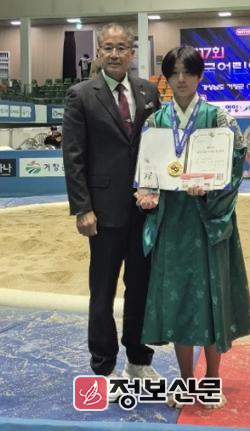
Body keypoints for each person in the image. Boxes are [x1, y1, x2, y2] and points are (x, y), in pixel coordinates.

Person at [135, 46, 250, 409]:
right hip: (171, 223)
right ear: (166, 79)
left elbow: (235, 164)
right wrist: (145, 193)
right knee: (179, 301)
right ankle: (187, 381)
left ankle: (212, 380)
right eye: (174, 73)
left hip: (207, 222)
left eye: (188, 72)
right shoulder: (155, 123)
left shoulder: (219, 119)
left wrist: (213, 188)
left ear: (200, 75)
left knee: (211, 299)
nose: (181, 79)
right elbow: (147, 171)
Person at [62, 22, 161, 401]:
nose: (115, 54)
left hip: (145, 209)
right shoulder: (80, 95)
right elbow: (73, 156)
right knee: (102, 292)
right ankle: (103, 366)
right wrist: (82, 208)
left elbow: (159, 146)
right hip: (102, 213)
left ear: (132, 53)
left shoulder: (148, 92)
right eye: (108, 47)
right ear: (99, 53)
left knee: (141, 288)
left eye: (122, 48)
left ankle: (138, 359)